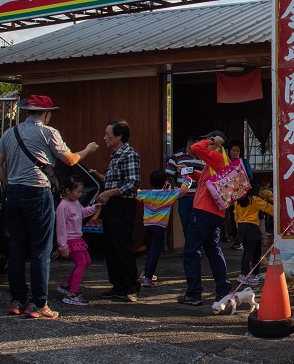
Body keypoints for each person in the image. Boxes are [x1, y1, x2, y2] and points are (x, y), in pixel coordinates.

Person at [0, 94, 100, 320]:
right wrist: (87, 150)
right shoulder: (48, 132)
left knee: (17, 248)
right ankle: (39, 303)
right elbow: (70, 160)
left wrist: (9, 182)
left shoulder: (10, 133)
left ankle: (17, 300)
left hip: (14, 193)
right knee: (41, 250)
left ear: (27, 112)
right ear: (47, 114)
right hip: (38, 192)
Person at [177, 130, 232, 306]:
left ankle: (194, 293)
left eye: (209, 139)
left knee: (191, 251)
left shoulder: (215, 156)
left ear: (217, 142)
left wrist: (211, 140)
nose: (205, 142)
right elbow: (208, 181)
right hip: (216, 213)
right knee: (213, 251)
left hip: (203, 211)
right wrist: (192, 173)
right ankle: (223, 289)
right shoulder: (222, 160)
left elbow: (195, 147)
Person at [93, 120, 141, 302]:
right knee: (110, 247)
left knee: (122, 247)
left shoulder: (129, 154)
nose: (105, 138)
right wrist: (100, 178)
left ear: (119, 136)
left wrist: (108, 193)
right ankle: (117, 286)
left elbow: (132, 183)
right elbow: (116, 181)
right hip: (111, 205)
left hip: (122, 205)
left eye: (108, 134)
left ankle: (131, 287)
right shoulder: (114, 155)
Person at [138, 169, 192, 287]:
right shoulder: (169, 193)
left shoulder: (146, 193)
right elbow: (184, 189)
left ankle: (145, 272)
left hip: (147, 225)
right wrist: (186, 176)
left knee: (150, 249)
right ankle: (147, 278)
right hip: (160, 226)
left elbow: (134, 192)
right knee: (155, 251)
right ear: (165, 182)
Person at [55, 176, 104, 305]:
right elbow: (60, 228)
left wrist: (94, 208)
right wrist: (63, 245)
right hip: (70, 241)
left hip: (77, 238)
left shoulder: (75, 202)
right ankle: (72, 293)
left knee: (86, 262)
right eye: (77, 191)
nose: (79, 194)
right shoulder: (62, 207)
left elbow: (81, 212)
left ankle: (66, 285)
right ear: (67, 191)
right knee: (81, 263)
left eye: (81, 191)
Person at [234, 184, 275, 287]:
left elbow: (236, 216)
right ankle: (245, 276)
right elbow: (268, 207)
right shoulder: (254, 199)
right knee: (250, 253)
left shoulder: (238, 201)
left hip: (242, 228)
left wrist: (239, 227)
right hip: (251, 228)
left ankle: (244, 275)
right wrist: (280, 211)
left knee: (247, 253)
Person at [166, 133, 206, 231]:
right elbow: (168, 176)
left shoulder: (204, 157)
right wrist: (173, 193)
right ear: (189, 144)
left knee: (199, 225)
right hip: (184, 197)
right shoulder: (177, 157)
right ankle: (190, 245)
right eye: (197, 145)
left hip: (200, 197)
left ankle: (196, 246)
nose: (199, 148)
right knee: (186, 224)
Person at [226, 140, 254, 250]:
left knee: (241, 216)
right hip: (229, 193)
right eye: (233, 150)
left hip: (242, 192)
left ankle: (239, 240)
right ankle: (232, 236)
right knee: (231, 216)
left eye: (237, 151)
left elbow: (250, 176)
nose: (235, 153)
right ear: (229, 151)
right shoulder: (226, 162)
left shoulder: (243, 162)